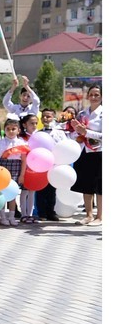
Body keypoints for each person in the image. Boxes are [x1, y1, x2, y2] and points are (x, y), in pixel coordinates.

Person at [70, 84, 102, 226]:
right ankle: (88, 215)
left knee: (100, 185)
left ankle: (100, 216)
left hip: (99, 152)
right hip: (84, 152)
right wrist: (76, 132)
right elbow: (75, 133)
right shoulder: (82, 113)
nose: (93, 97)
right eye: (91, 94)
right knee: (86, 183)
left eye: (97, 94)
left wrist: (87, 132)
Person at [0, 115, 27, 227]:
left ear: (18, 130)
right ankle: (2, 217)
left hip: (16, 169)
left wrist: (22, 175)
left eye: (13, 129)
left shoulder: (22, 144)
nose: (11, 131)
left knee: (13, 193)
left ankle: (11, 217)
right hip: (2, 170)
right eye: (8, 129)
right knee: (2, 193)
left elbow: (24, 161)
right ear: (4, 130)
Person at [36, 109, 66, 221]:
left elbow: (64, 147)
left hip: (54, 164)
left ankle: (51, 212)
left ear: (53, 118)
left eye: (48, 116)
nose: (45, 118)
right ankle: (42, 212)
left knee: (52, 189)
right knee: (41, 188)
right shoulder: (38, 133)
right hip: (41, 164)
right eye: (43, 116)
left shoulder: (59, 133)